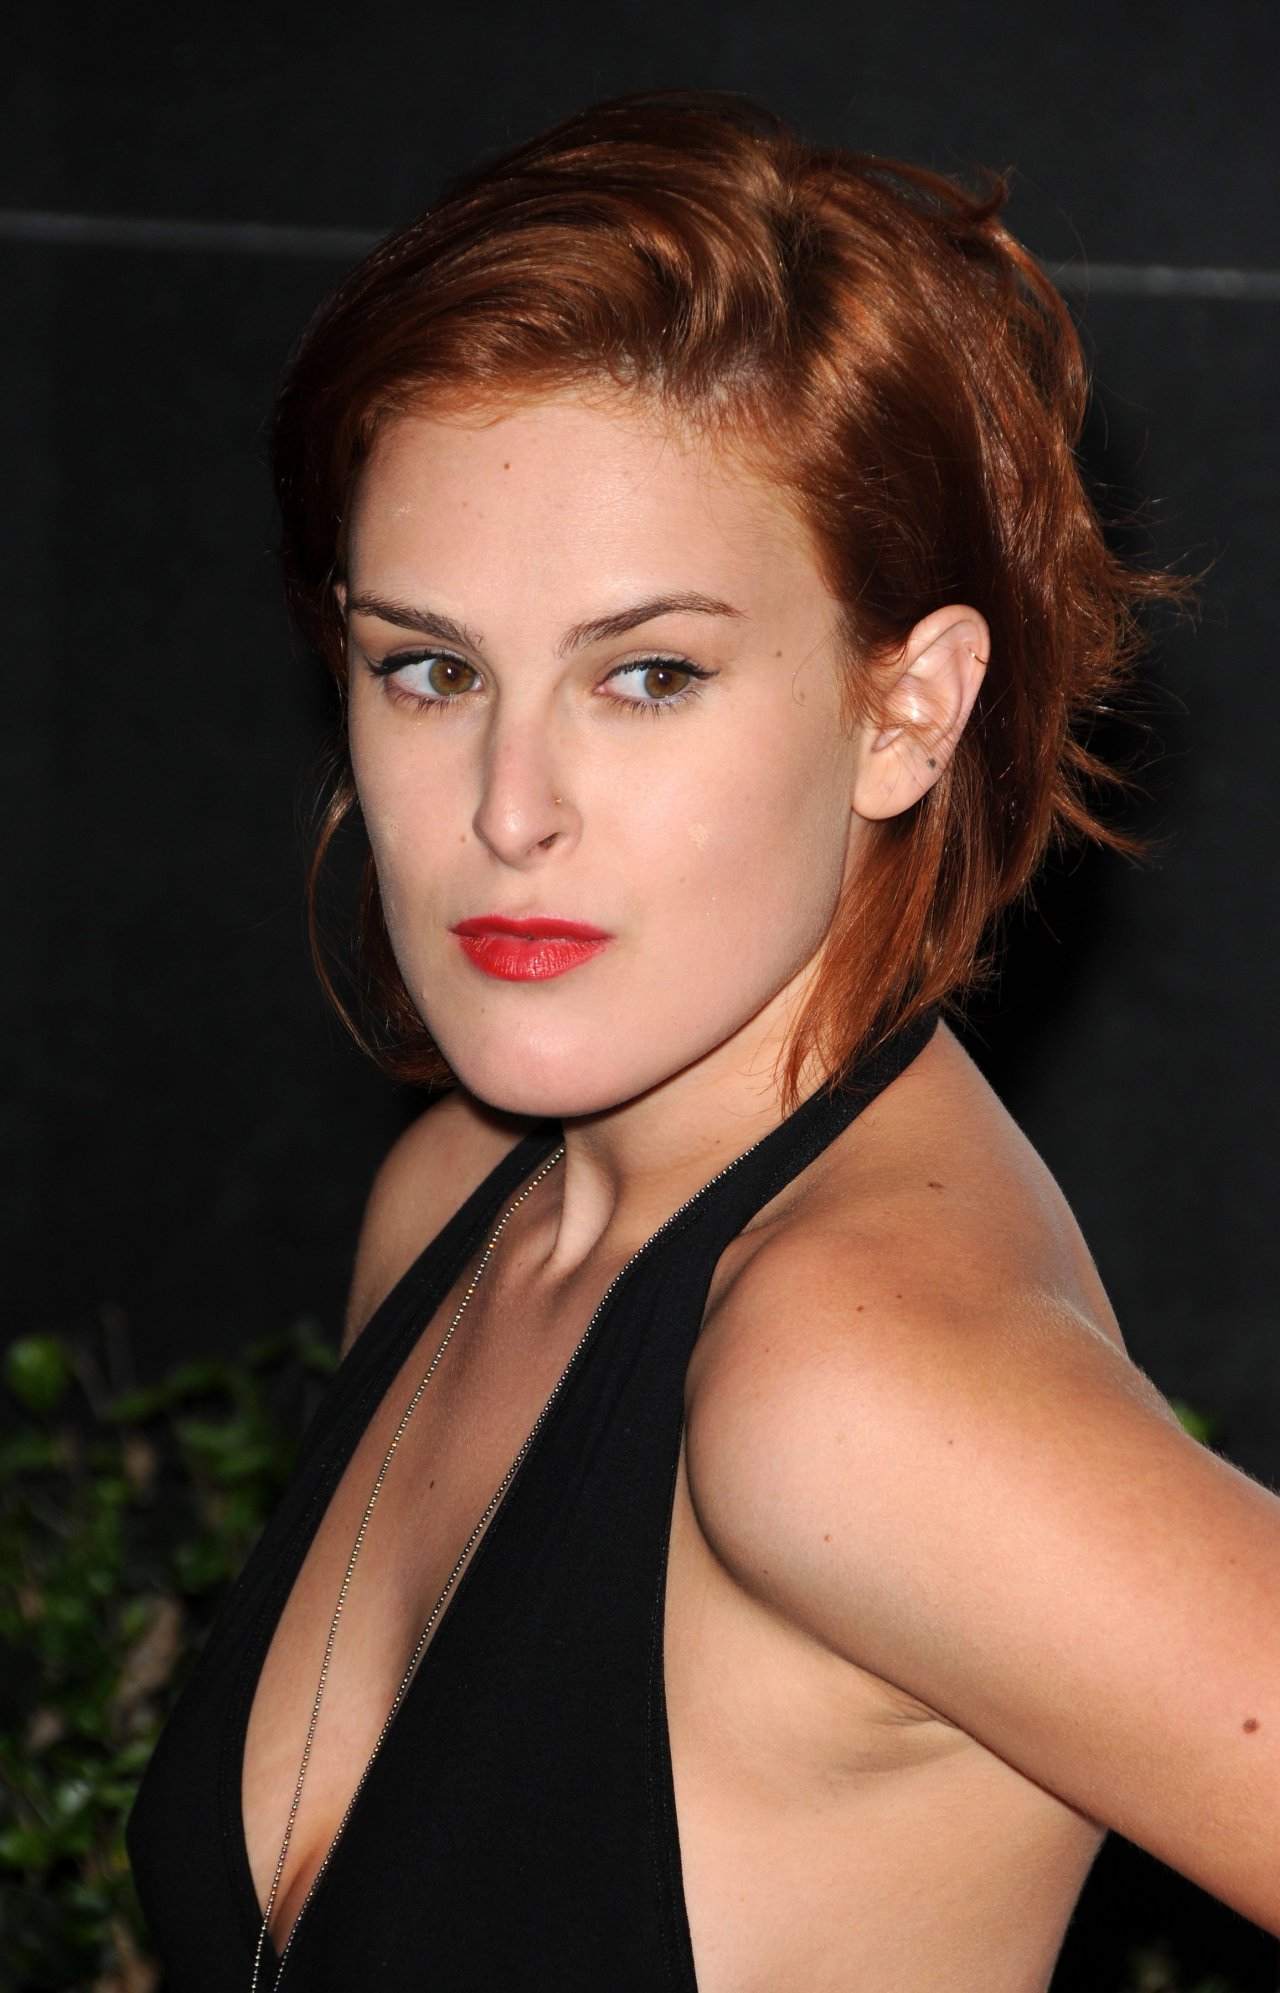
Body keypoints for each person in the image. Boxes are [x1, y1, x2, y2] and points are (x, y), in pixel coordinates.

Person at [126, 92, 1280, 1991]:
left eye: (648, 674)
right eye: (431, 668)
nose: (508, 808)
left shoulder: (850, 1384)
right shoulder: (459, 1197)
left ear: (908, 712)